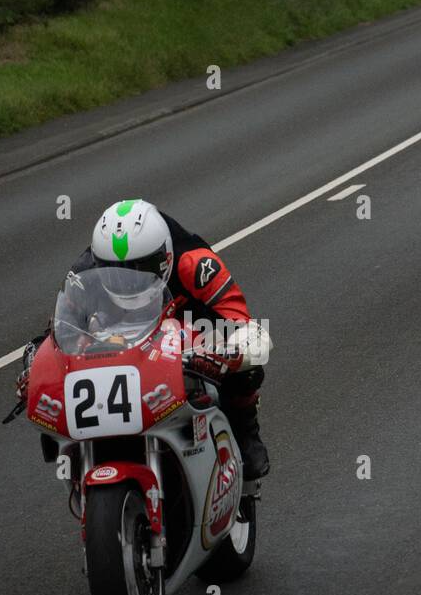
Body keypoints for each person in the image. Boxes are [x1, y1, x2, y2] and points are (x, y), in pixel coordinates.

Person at [16, 199, 270, 478]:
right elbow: (61, 331)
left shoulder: (196, 263)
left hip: (193, 326)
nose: (129, 281)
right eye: (116, 272)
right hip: (122, 334)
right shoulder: (84, 271)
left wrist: (224, 355)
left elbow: (245, 326)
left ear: (166, 258)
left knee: (246, 370)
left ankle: (246, 433)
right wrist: (38, 365)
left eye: (143, 268)